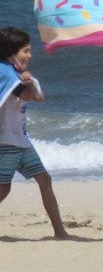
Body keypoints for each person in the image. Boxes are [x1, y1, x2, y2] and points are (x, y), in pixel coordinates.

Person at [0, 27, 69, 239]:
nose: (30, 55)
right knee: (3, 190)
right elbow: (27, 95)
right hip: (6, 143)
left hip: (21, 141)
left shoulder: (13, 73)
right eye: (25, 51)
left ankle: (60, 231)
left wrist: (27, 79)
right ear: (12, 52)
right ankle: (59, 231)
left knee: (45, 180)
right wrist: (26, 80)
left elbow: (39, 97)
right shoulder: (4, 73)